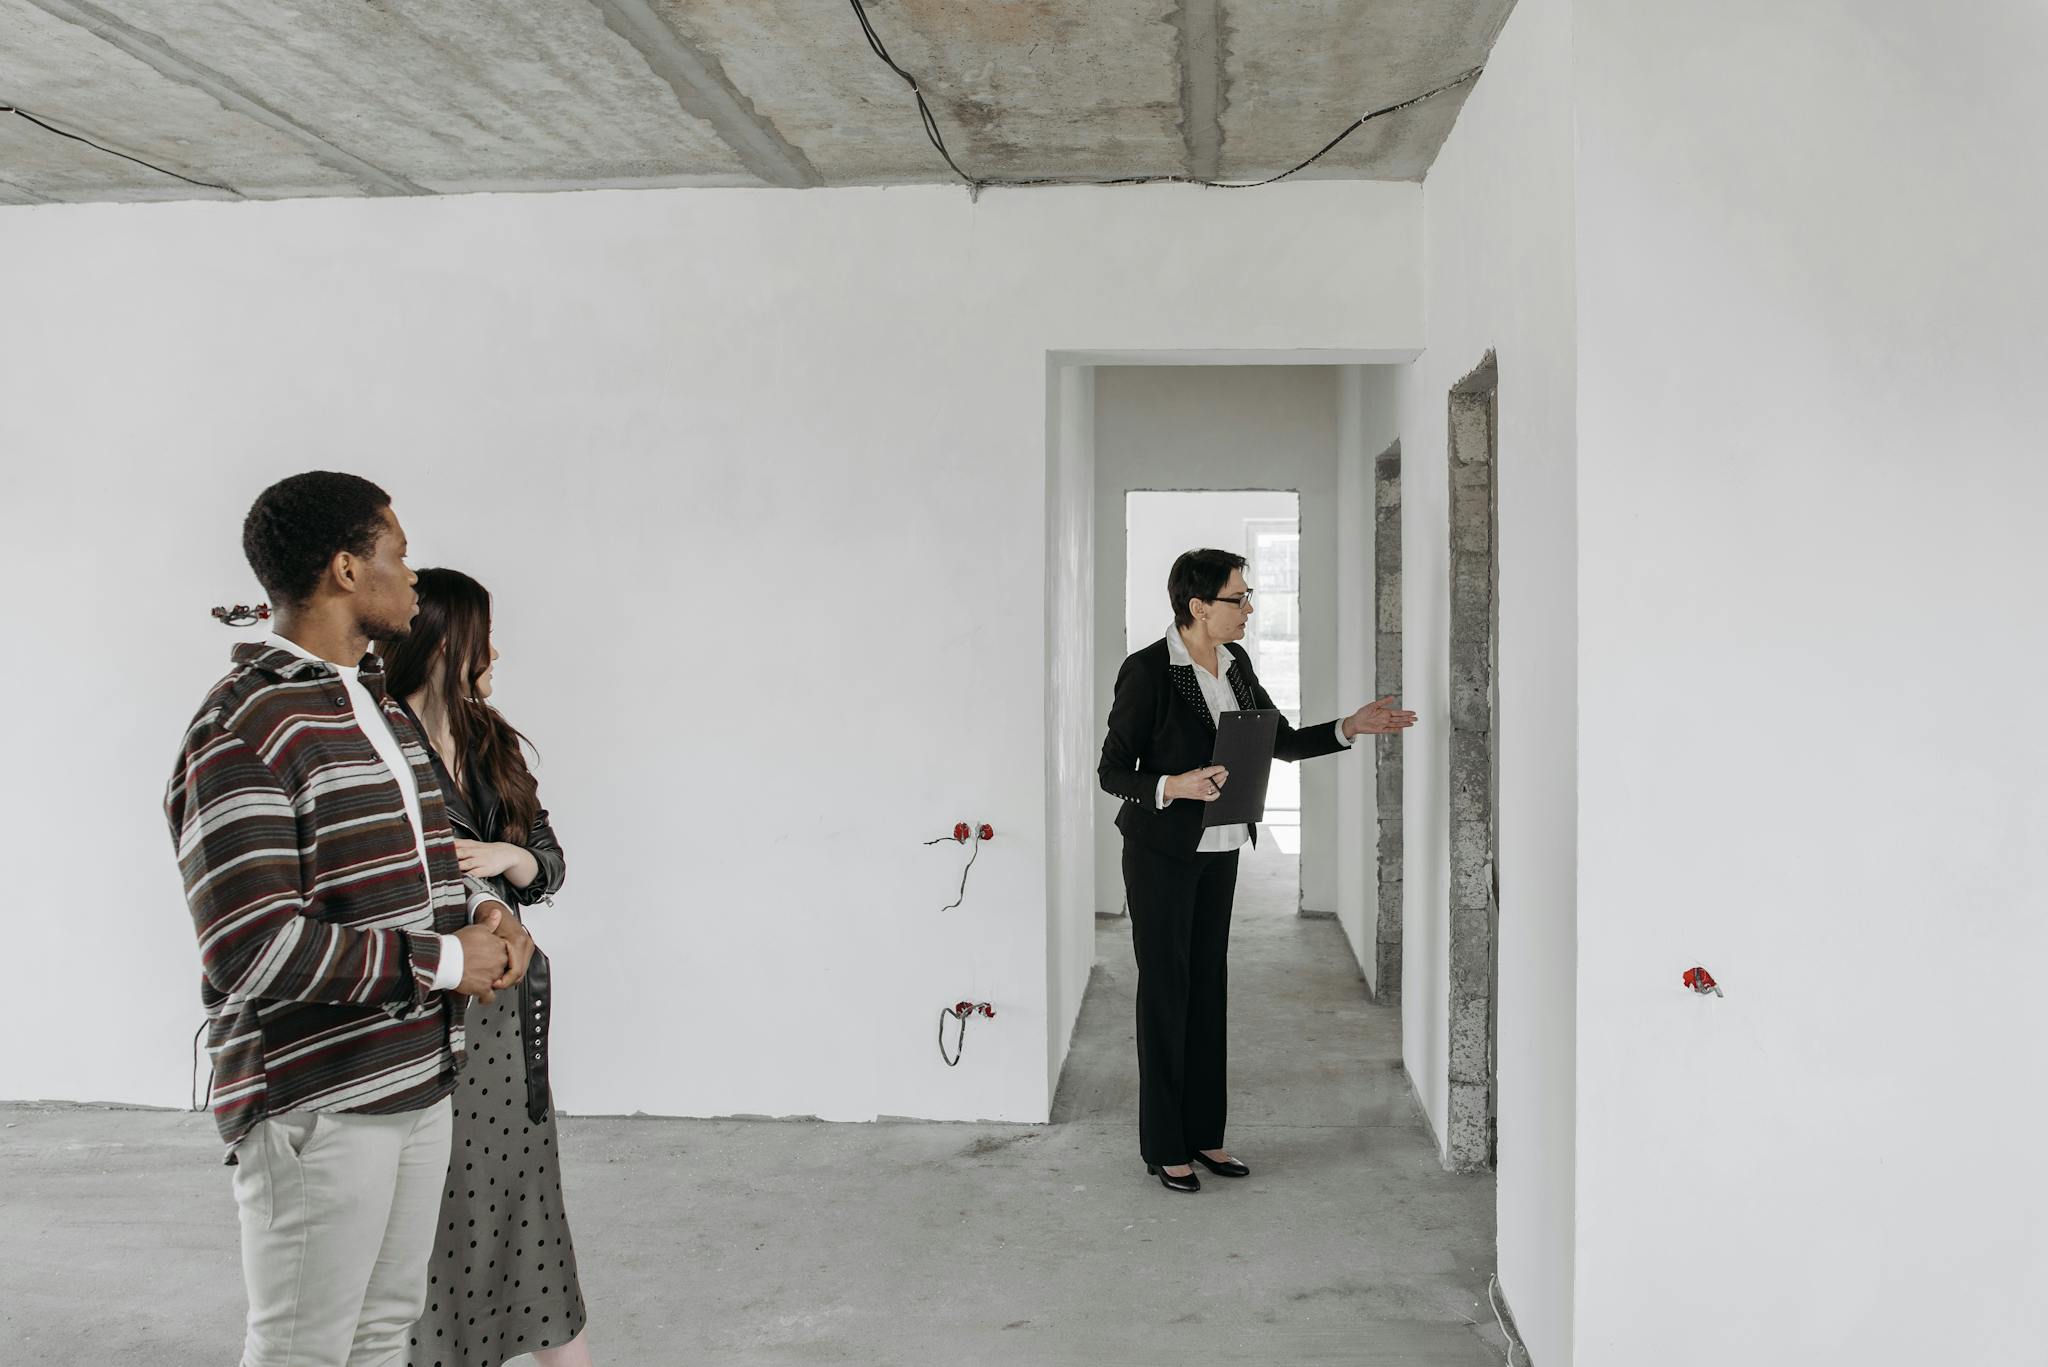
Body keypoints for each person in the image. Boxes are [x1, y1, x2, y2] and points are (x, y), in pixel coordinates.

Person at [166, 471, 534, 1366]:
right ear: (344, 569)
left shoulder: (375, 704)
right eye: (399, 555)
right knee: (302, 1347)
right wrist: (449, 961)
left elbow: (430, 860)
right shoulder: (241, 728)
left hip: (417, 1077)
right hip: (316, 1102)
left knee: (379, 1333)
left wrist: (489, 910)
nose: (414, 577)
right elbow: (253, 949)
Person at [1098, 548, 1417, 1193]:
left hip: (1220, 849)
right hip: (1161, 854)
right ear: (1197, 606)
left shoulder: (1237, 664)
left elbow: (1281, 741)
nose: (1248, 609)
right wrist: (1174, 785)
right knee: (1166, 993)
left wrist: (1349, 727)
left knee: (1207, 988)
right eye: (1238, 598)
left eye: (1248, 597)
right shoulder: (1148, 671)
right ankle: (1165, 1146)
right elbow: (1112, 771)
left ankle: (1204, 1135)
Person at [378, 569, 592, 1367]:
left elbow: (549, 862)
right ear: (442, 643)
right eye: (482, 635)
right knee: (444, 1213)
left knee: (527, 1203)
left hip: (509, 1009)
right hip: (434, 1003)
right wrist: (483, 888)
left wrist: (507, 856)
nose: (493, 652)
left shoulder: (489, 738)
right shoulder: (381, 736)